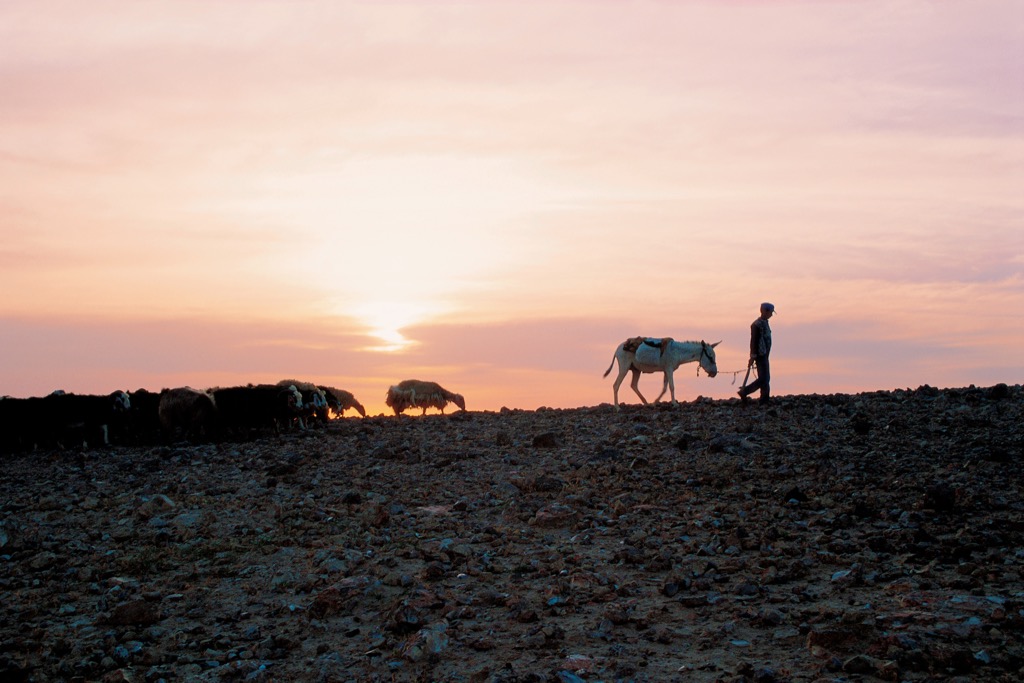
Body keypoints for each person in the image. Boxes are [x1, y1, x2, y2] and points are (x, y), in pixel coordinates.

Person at [739, 302, 774, 404]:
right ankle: (745, 391)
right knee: (764, 378)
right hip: (760, 354)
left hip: (765, 354)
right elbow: (753, 341)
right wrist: (753, 356)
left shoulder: (765, 323)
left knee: (765, 377)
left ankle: (765, 398)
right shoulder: (756, 325)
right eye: (770, 312)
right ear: (764, 311)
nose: (771, 314)